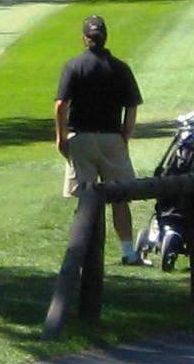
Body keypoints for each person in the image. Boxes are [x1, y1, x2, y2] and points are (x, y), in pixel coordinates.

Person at [53, 13, 142, 250]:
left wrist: (61, 138)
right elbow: (131, 107)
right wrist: (125, 136)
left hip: (80, 138)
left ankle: (82, 252)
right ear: (105, 37)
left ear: (85, 38)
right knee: (120, 198)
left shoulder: (73, 66)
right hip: (112, 138)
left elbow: (61, 105)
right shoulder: (121, 68)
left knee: (86, 200)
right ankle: (128, 252)